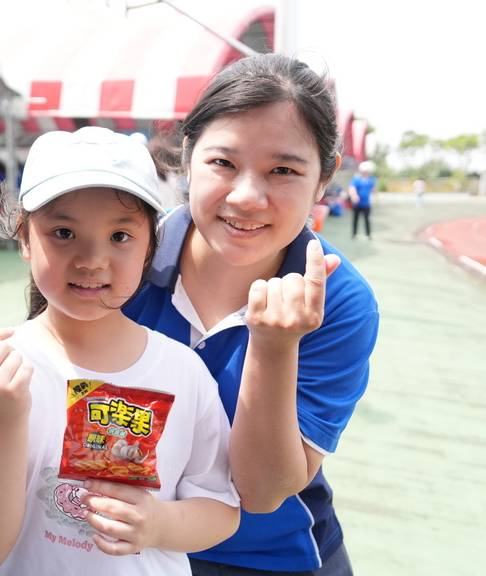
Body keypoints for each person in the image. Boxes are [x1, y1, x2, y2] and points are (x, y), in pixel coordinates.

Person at [123, 53, 379, 575]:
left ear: (325, 178)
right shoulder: (124, 259)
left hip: (264, 558)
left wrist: (274, 347)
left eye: (283, 170)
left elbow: (262, 492)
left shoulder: (340, 302)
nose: (246, 197)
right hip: (122, 545)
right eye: (223, 163)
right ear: (187, 157)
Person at [0, 126, 241, 575]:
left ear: (150, 248)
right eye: (63, 232)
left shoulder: (185, 371)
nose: (92, 260)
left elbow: (220, 509)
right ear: (24, 238)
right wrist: (5, 416)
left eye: (120, 236)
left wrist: (159, 524)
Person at [348, 160, 375, 239]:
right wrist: (354, 195)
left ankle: (368, 234)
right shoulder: (356, 178)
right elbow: (352, 187)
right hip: (357, 203)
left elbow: (373, 189)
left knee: (367, 219)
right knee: (355, 219)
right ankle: (354, 233)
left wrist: (377, 198)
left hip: (366, 203)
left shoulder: (371, 178)